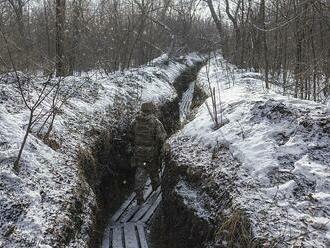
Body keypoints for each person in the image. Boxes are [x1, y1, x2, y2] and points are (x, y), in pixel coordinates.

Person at [129, 101, 167, 205]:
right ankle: (156, 189)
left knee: (140, 174)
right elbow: (162, 137)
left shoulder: (134, 122)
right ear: (151, 110)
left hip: (139, 153)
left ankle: (139, 197)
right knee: (154, 172)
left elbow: (131, 136)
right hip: (152, 154)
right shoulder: (155, 122)